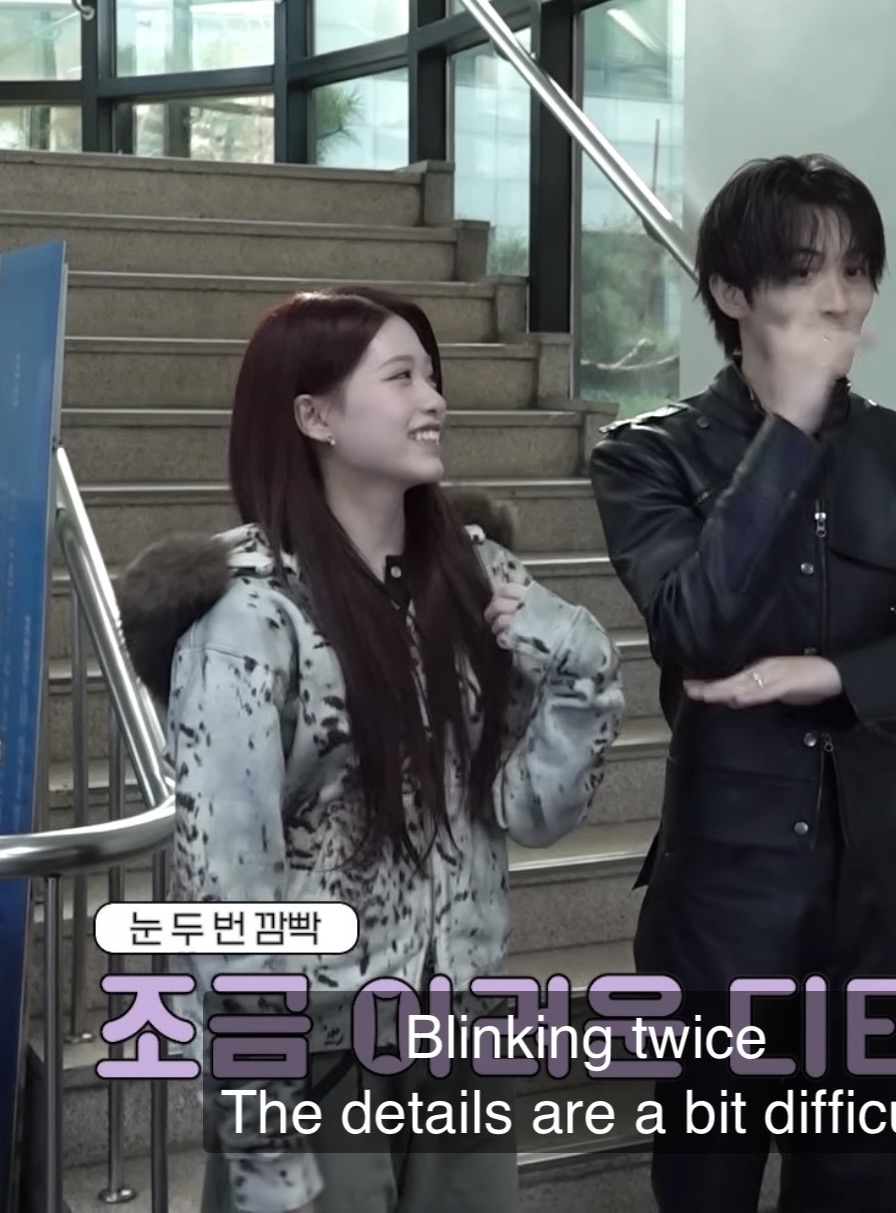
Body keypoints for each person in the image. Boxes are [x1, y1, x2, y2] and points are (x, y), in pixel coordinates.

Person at [115, 285, 625, 1213]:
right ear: (314, 416)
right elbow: (224, 889)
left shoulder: (477, 579)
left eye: (432, 376)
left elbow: (530, 810)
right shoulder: (250, 619)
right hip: (316, 1050)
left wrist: (581, 666)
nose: (433, 400)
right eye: (401, 378)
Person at [587, 154, 896, 1212]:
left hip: (873, 900)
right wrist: (785, 430)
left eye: (855, 269)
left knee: (852, 1178)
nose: (836, 296)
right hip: (722, 899)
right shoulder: (648, 457)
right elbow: (693, 628)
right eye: (800, 270)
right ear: (731, 291)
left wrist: (833, 672)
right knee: (708, 1174)